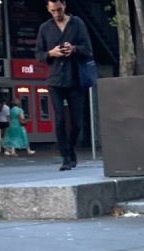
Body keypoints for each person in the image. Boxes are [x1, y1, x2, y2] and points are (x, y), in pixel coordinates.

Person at [35, 0, 92, 171]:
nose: (56, 14)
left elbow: (88, 50)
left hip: (75, 78)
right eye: (53, 11)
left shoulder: (77, 23)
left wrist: (73, 49)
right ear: (48, 9)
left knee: (76, 122)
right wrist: (51, 53)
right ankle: (65, 156)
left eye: (59, 10)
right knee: (59, 119)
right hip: (55, 80)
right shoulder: (45, 28)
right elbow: (38, 54)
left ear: (64, 6)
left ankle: (71, 148)